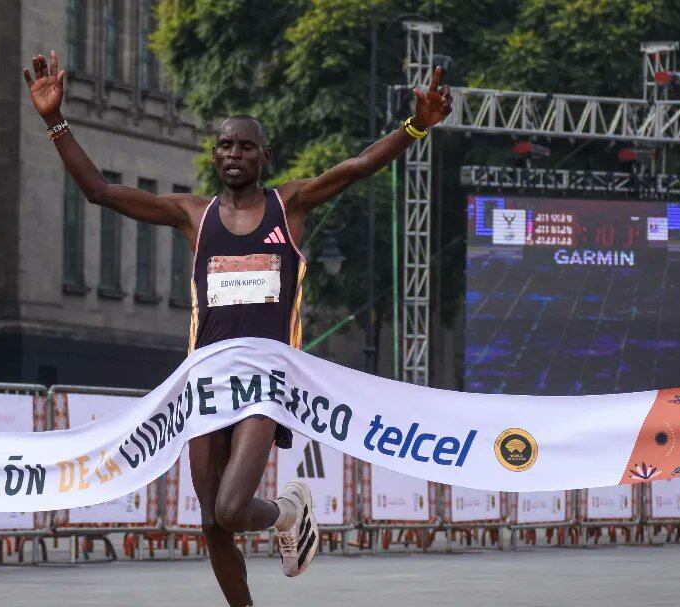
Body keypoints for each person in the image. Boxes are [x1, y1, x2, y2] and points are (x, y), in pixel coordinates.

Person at [24, 50, 452, 606]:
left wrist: (416, 126)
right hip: (205, 381)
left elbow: (357, 167)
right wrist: (55, 121)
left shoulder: (289, 204)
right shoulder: (191, 214)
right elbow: (100, 193)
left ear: (262, 156)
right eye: (225, 144)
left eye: (245, 145)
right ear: (215, 153)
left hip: (266, 383)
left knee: (231, 506)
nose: (233, 153)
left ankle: (288, 511)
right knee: (211, 524)